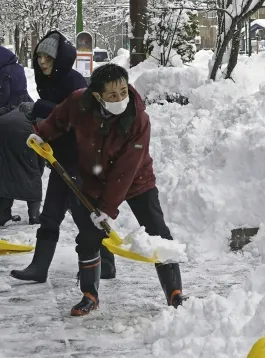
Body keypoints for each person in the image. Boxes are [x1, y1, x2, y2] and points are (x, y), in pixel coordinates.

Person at [28, 63, 183, 316]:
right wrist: (41, 133)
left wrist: (107, 209)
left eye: (123, 91)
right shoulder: (79, 102)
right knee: (89, 235)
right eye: (112, 95)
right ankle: (89, 294)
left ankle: (175, 292)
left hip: (136, 179)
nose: (120, 98)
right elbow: (58, 118)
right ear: (97, 95)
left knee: (157, 230)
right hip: (94, 178)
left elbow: (127, 167)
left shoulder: (138, 118)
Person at [10, 31, 117, 283]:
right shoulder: (48, 81)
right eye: (39, 57)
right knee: (51, 215)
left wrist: (39, 108)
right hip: (60, 158)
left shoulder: (74, 80)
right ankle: (39, 268)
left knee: (84, 215)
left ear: (59, 59)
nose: (43, 62)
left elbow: (79, 116)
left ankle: (107, 263)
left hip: (80, 160)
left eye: (48, 57)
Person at [0, 45, 41, 225]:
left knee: (5, 169)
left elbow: (4, 95)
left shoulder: (3, 72)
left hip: (9, 117)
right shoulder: (16, 66)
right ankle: (33, 215)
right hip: (25, 112)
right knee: (31, 167)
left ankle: (3, 215)